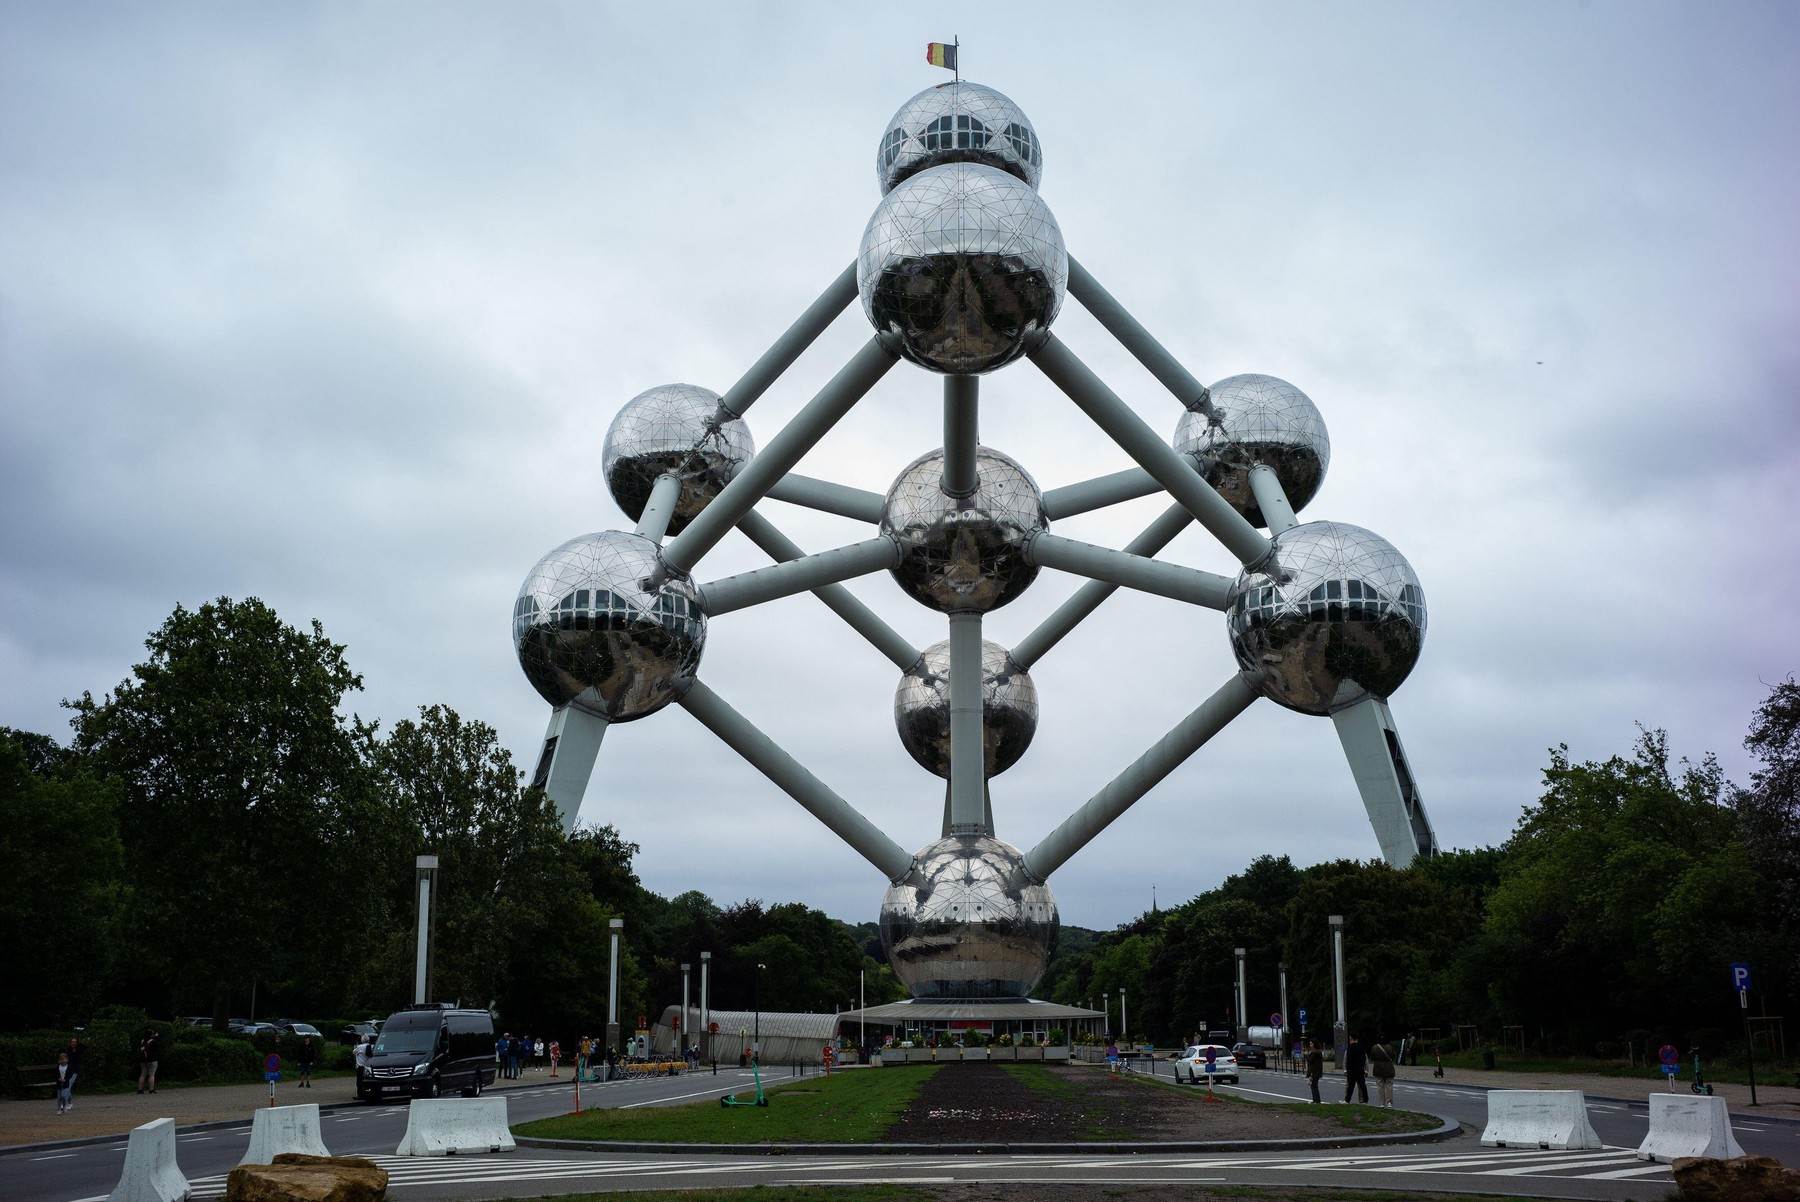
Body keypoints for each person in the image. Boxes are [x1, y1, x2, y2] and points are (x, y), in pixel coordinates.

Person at [1369, 1035, 1396, 1108]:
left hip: (1378, 1068)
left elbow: (1372, 1058)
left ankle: (1381, 1103)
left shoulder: (1374, 1047)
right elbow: (1393, 1056)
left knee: (1380, 1086)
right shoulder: (1390, 1047)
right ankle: (1389, 1102)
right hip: (1388, 1068)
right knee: (1389, 1085)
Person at [1342, 1033, 1368, 1104]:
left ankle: (1347, 1100)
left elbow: (1349, 1060)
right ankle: (1365, 1100)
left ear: (1352, 1039)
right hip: (1360, 1069)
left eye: (1350, 1039)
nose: (1349, 1041)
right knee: (1362, 1085)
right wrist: (1364, 1069)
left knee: (1350, 1086)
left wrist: (1347, 1069)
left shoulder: (1350, 1048)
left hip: (1352, 1070)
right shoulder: (1362, 1047)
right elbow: (1364, 1059)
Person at [137, 1027, 161, 1094]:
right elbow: (157, 1048)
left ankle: (140, 1090)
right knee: (151, 1075)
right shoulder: (153, 1041)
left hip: (142, 1060)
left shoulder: (142, 1040)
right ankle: (151, 1090)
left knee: (143, 1074)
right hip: (152, 1060)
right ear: (151, 1034)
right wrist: (156, 1037)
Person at [64, 1038, 83, 1109]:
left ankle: (65, 1103)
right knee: (66, 1087)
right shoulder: (68, 1050)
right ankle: (69, 1103)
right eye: (72, 1042)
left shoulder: (79, 1050)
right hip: (67, 1071)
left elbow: (84, 1047)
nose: (73, 1043)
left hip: (74, 1071)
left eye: (75, 1042)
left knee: (68, 1087)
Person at [1304, 1040, 1325, 1104]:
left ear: (1314, 1044)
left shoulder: (1315, 1053)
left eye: (1311, 1044)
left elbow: (1310, 1061)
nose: (1310, 1045)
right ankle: (1315, 1100)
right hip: (1316, 1071)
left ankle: (1317, 1101)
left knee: (1314, 1086)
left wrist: (1306, 1055)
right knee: (1313, 1086)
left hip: (1315, 1072)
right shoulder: (1317, 1052)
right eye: (1310, 1044)